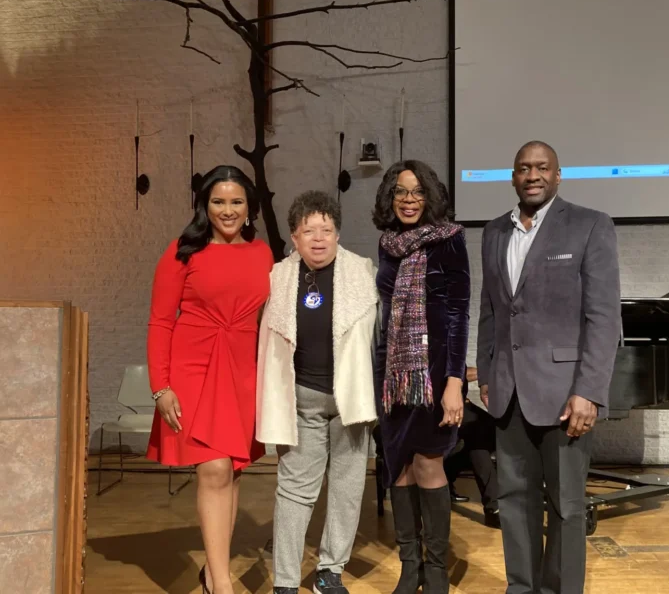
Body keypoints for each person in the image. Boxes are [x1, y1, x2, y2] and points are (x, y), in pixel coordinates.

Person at [477, 141, 621, 594]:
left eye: (542, 167)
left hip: (565, 394)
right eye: (523, 168)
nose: (532, 174)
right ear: (513, 177)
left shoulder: (589, 225)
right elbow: (491, 310)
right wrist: (486, 372)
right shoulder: (494, 232)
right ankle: (521, 588)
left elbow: (603, 317)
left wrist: (590, 391)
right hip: (508, 391)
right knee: (513, 501)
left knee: (566, 506)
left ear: (558, 175)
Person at [146, 165, 274, 594]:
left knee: (231, 471)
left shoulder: (261, 253)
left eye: (236, 201)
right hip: (193, 368)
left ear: (250, 207)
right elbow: (161, 321)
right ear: (204, 205)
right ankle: (222, 583)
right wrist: (160, 387)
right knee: (214, 469)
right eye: (218, 201)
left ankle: (212, 571)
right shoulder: (182, 251)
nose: (227, 210)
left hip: (241, 369)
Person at [255, 191, 379, 594]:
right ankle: (286, 582)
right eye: (309, 230)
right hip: (301, 400)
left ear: (338, 232)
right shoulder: (278, 277)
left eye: (327, 229)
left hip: (351, 403)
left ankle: (330, 571)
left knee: (346, 491)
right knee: (294, 492)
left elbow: (378, 338)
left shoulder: (363, 272)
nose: (319, 238)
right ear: (294, 236)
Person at [373, 159, 470, 594]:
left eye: (417, 192)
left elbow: (458, 313)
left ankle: (435, 571)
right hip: (393, 375)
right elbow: (383, 316)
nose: (409, 200)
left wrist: (454, 381)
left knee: (429, 464)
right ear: (389, 198)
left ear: (430, 197)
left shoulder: (449, 241)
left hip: (434, 374)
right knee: (398, 467)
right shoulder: (387, 244)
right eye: (400, 192)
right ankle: (409, 566)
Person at [444, 366, 500, 529]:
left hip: (460, 403)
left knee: (493, 428)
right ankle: (493, 507)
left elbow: (461, 369)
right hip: (439, 404)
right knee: (477, 431)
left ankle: (447, 477)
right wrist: (492, 370)